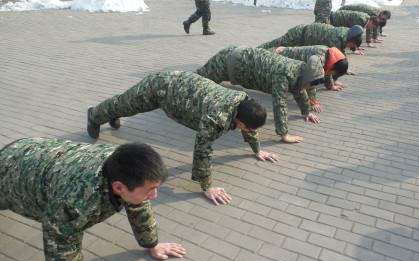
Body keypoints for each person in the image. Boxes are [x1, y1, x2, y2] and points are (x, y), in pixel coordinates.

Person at [0, 138, 186, 261]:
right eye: (151, 190)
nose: (155, 196)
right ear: (118, 187)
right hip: (9, 170)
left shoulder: (126, 165)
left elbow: (138, 203)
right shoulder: (74, 204)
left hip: (38, 154)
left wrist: (152, 243)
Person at [87, 71, 278, 205]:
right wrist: (207, 187)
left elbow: (250, 128)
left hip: (179, 87)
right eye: (246, 128)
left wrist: (258, 150)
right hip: (161, 88)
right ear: (241, 122)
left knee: (126, 106)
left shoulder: (243, 105)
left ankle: (114, 112)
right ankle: (94, 115)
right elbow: (202, 151)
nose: (247, 131)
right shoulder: (216, 118)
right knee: (125, 103)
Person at [196, 46, 324, 143]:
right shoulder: (284, 74)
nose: (307, 89)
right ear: (307, 78)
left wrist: (306, 112)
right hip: (228, 61)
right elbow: (280, 103)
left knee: (201, 82)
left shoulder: (300, 71)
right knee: (198, 82)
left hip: (239, 62)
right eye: (309, 85)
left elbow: (299, 89)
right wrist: (284, 134)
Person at [274, 45, 349, 98]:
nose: (333, 74)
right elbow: (310, 82)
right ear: (335, 67)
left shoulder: (330, 57)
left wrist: (330, 85)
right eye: (335, 73)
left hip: (283, 53)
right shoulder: (320, 60)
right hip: (278, 55)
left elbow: (328, 71)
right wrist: (313, 102)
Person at [258, 23, 364, 55]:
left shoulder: (344, 32)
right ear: (351, 41)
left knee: (279, 49)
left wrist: (344, 68)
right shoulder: (336, 40)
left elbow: (341, 51)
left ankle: (257, 52)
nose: (351, 48)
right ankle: (254, 51)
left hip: (303, 36)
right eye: (353, 46)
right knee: (275, 45)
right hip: (298, 35)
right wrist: (332, 84)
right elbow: (330, 62)